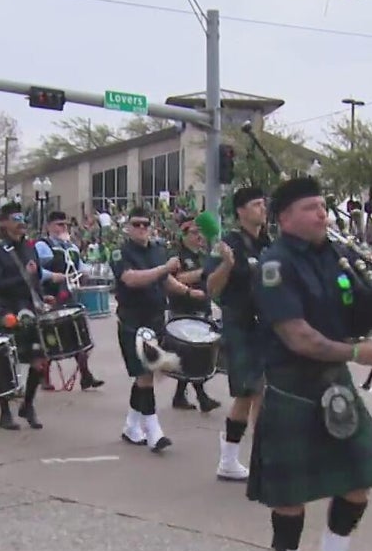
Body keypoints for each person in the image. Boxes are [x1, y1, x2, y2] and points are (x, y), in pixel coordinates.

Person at [249, 177, 372, 551]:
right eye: (312, 207)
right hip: (293, 385)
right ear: (285, 218)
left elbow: (350, 310)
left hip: (333, 382)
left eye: (324, 206)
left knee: (359, 480)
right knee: (290, 492)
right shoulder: (274, 266)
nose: (323, 214)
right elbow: (298, 336)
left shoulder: (334, 257)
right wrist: (356, 351)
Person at [111, 205, 195, 452]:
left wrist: (190, 292)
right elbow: (131, 279)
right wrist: (164, 269)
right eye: (136, 224)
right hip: (132, 320)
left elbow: (166, 280)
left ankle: (131, 425)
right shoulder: (120, 252)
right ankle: (154, 431)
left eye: (145, 224)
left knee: (145, 375)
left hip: (156, 319)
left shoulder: (158, 250)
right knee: (146, 374)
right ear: (127, 227)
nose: (141, 229)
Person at [205, 186, 270, 482]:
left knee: (264, 394)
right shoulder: (228, 244)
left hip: (266, 327)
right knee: (247, 393)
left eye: (263, 204)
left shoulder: (268, 242)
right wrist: (228, 265)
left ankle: (261, 457)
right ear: (241, 211)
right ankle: (229, 460)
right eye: (256, 205)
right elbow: (211, 287)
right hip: (241, 326)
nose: (262, 209)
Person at [0, 203, 50, 430]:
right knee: (5, 362)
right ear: (4, 223)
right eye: (15, 218)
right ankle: (5, 413)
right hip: (8, 310)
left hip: (29, 309)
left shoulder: (30, 247)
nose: (20, 223)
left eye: (22, 218)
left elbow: (36, 279)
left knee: (39, 360)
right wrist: (24, 275)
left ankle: (28, 405)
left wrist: (42, 299)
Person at [35, 210, 104, 391]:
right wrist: (53, 276)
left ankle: (86, 375)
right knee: (48, 336)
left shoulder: (72, 248)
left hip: (69, 294)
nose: (63, 228)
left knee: (78, 333)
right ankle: (44, 377)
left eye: (65, 225)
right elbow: (35, 271)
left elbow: (81, 266)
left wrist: (85, 274)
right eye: (59, 225)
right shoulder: (42, 246)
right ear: (49, 226)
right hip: (50, 296)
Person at [166, 217, 218, 412]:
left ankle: (180, 395)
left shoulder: (202, 255)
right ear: (184, 235)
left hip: (201, 307)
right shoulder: (177, 255)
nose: (200, 237)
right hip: (184, 310)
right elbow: (175, 278)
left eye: (201, 233)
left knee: (191, 355)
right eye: (195, 233)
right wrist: (203, 273)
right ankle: (202, 397)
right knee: (191, 354)